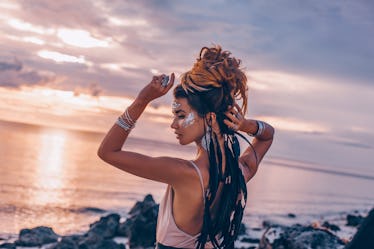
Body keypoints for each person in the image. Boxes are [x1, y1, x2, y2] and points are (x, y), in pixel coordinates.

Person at [98, 45, 274, 249]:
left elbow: (108, 152)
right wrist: (244, 125)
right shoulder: (241, 172)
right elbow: (267, 137)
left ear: (209, 118)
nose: (173, 124)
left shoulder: (185, 173)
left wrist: (143, 99)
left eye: (181, 115)